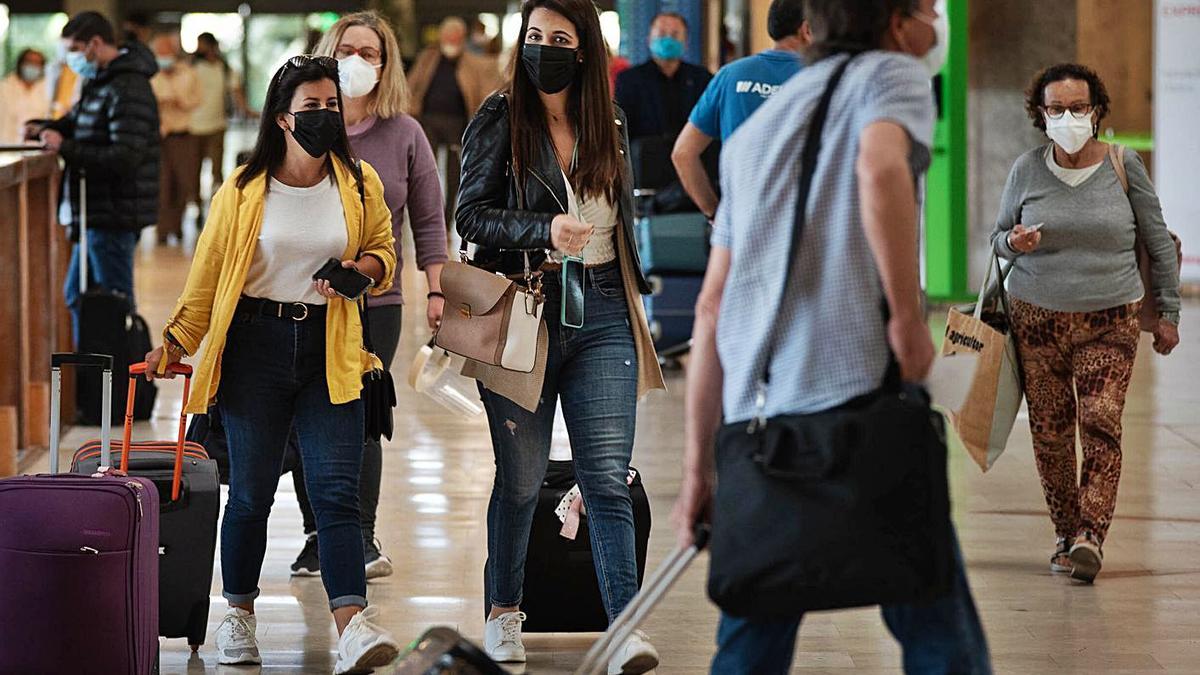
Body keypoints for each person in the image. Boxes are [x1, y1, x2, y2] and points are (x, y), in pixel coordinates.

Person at [671, 1, 993, 673]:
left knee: (752, 637)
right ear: (895, 20)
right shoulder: (892, 74)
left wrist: (700, 468)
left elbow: (710, 310)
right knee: (939, 629)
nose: (937, 20)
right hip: (861, 401)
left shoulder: (758, 132)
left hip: (764, 426)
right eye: (929, 8)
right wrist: (909, 321)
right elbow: (880, 169)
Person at [143, 55, 401, 673]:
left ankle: (352, 628)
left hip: (329, 352)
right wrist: (175, 342)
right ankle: (238, 613)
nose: (325, 117)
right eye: (312, 108)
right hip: (254, 351)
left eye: (332, 106)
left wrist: (358, 273)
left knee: (337, 495)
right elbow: (208, 275)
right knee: (252, 494)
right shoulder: (242, 189)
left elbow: (383, 251)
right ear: (283, 119)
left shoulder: (359, 182)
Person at [456, 0, 666, 671]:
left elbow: (621, 216)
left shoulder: (609, 121)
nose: (542, 47)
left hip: (603, 307)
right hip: (527, 307)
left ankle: (625, 626)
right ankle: (504, 611)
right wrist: (540, 231)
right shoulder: (500, 115)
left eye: (558, 38)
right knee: (519, 481)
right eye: (533, 36)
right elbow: (472, 215)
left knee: (606, 478)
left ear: (583, 50)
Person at [992, 63, 1181, 584]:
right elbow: (997, 239)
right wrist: (1014, 242)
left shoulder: (1124, 165)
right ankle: (1064, 534)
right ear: (1041, 114)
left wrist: (1167, 311)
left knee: (1101, 422)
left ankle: (1090, 535)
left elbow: (1159, 242)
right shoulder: (1025, 170)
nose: (1069, 117)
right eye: (1057, 109)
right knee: (1051, 434)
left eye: (1079, 107)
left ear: (1096, 111)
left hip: (1110, 319)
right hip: (1037, 321)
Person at [285, 10, 449, 581]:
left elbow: (429, 221)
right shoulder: (301, 126)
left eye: (370, 53)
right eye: (348, 49)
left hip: (377, 303)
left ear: (385, 66)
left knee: (360, 419)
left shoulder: (405, 133)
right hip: (302, 299)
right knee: (307, 420)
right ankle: (316, 535)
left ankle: (362, 536)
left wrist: (436, 291)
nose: (358, 61)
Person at [39, 12, 160, 346]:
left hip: (114, 213)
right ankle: (93, 386)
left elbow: (125, 157)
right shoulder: (102, 80)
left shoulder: (129, 86)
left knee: (115, 304)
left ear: (94, 44)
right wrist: (43, 128)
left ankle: (119, 385)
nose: (71, 60)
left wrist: (67, 147)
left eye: (74, 50)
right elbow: (77, 121)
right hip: (95, 212)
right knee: (78, 298)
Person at [672, 0, 808, 221]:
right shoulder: (823, 78)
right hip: (803, 222)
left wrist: (715, 214)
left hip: (740, 222)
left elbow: (683, 153)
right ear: (807, 30)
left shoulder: (730, 75)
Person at [407, 16, 503, 229]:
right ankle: (426, 220)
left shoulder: (472, 62)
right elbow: (411, 85)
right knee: (425, 173)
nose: (451, 40)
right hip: (428, 123)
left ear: (462, 38)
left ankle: (446, 223)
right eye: (448, 36)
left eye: (456, 36)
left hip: (457, 125)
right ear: (441, 36)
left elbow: (487, 86)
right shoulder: (428, 58)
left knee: (453, 176)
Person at [614, 13, 712, 213]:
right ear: (649, 39)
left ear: (685, 42)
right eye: (662, 33)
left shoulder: (702, 79)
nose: (668, 38)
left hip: (693, 172)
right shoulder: (629, 80)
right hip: (644, 176)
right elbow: (621, 132)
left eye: (675, 34)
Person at [150, 33, 201, 245]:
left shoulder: (188, 74)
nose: (164, 57)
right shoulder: (150, 76)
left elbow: (197, 100)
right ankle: (162, 230)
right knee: (161, 184)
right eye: (159, 53)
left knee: (183, 182)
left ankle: (177, 226)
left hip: (182, 135)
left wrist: (177, 99)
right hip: (158, 137)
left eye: (166, 52)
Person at [190, 33, 252, 207]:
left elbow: (236, 92)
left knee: (216, 170)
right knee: (194, 170)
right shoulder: (192, 67)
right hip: (193, 127)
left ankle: (217, 204)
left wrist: (248, 111)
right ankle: (196, 204)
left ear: (211, 46)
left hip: (217, 124)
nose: (198, 48)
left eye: (201, 44)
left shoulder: (224, 69)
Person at [1, 49, 50, 144]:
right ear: (20, 63)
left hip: (35, 148)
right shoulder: (4, 87)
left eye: (37, 63)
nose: (33, 66)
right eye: (29, 62)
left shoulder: (46, 89)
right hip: (6, 144)